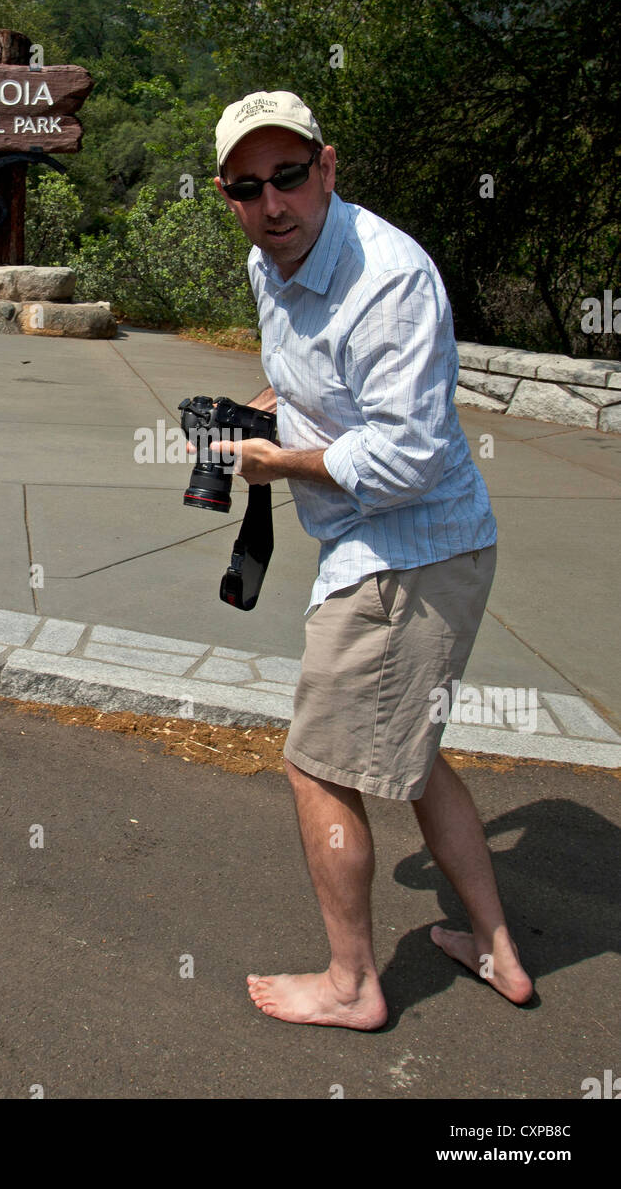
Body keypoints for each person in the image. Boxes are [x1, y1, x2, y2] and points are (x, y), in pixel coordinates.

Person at [210, 89, 533, 1028]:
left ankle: (353, 985)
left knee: (319, 763)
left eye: (291, 176)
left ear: (329, 167)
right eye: (248, 186)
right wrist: (273, 405)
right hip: (402, 549)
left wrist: (282, 462)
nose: (274, 203)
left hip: (405, 558)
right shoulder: (273, 260)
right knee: (419, 755)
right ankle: (500, 951)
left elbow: (404, 457)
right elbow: (318, 372)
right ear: (228, 194)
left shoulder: (388, 279)